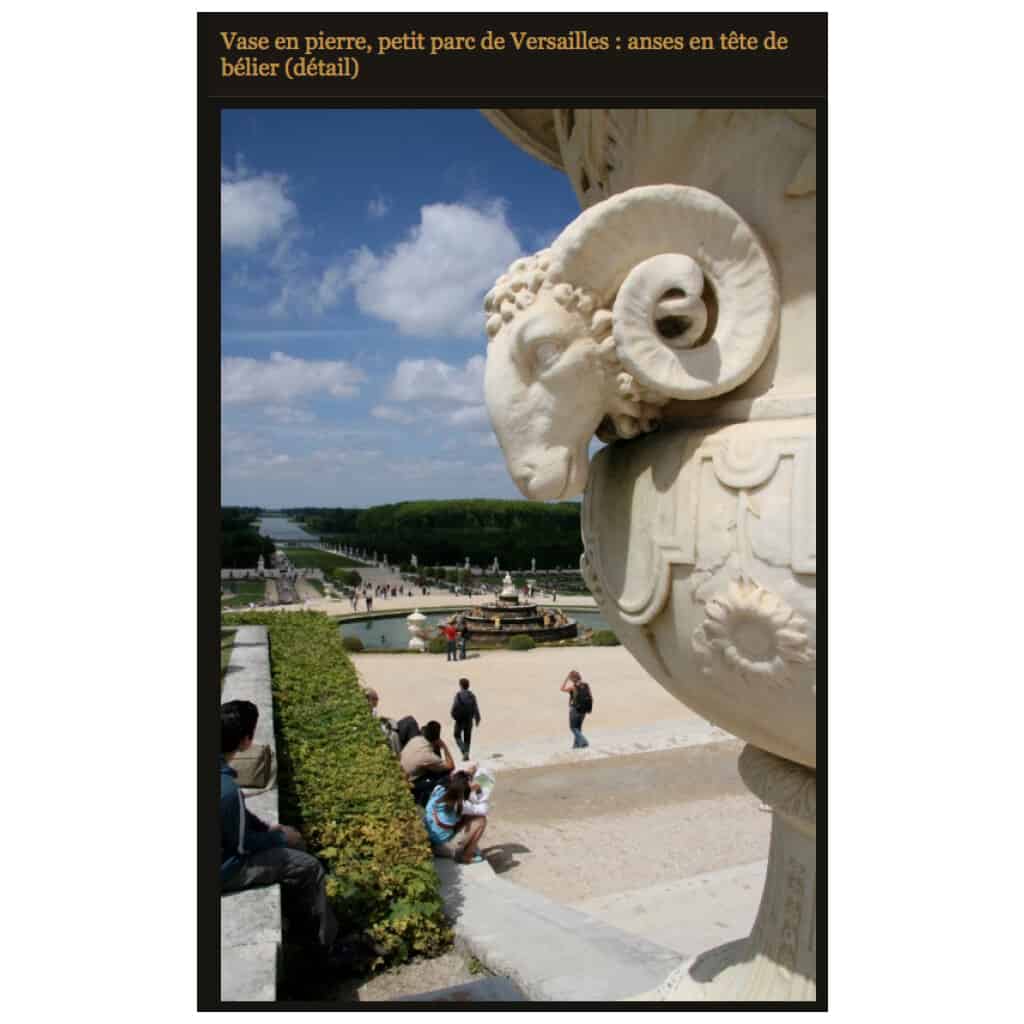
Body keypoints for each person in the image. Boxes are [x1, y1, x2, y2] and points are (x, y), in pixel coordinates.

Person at [220, 700, 340, 957]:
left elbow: (237, 817)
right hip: (226, 869)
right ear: (245, 741)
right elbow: (242, 846)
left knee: (294, 846)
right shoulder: (227, 789)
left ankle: (301, 919)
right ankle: (324, 946)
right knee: (311, 868)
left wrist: (268, 828)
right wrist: (277, 836)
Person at [423, 772, 488, 864]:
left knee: (468, 815)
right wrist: (479, 791)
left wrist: (466, 777)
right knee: (481, 820)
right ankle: (465, 855)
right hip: (443, 847)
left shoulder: (439, 789)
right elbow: (484, 810)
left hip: (430, 839)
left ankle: (466, 848)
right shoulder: (459, 805)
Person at [400, 720, 455, 805]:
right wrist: (444, 746)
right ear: (437, 739)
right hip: (410, 782)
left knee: (430, 767)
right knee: (446, 775)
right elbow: (451, 766)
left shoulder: (416, 739)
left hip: (401, 772)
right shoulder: (428, 756)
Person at [450, 677, 482, 759]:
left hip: (460, 720)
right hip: (469, 719)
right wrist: (477, 718)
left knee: (457, 735)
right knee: (467, 737)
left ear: (460, 685)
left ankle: (464, 751)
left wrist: (453, 715)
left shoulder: (458, 695)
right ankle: (466, 753)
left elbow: (455, 706)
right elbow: (475, 707)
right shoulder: (472, 695)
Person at [560, 670, 590, 749]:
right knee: (578, 728)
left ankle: (584, 741)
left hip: (575, 709)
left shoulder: (573, 687)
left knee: (573, 728)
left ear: (572, 679)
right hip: (584, 709)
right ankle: (576, 746)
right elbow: (590, 697)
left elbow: (562, 689)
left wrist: (566, 678)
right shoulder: (586, 685)